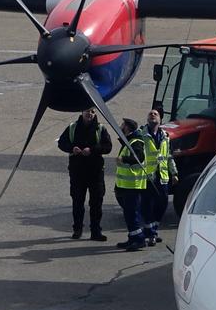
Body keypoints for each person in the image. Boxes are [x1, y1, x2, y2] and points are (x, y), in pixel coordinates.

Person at [55, 107, 111, 241]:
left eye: (92, 112)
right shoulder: (72, 127)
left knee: (96, 202)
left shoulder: (100, 129)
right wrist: (71, 148)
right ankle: (77, 229)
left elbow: (108, 147)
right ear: (81, 112)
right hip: (77, 171)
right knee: (77, 201)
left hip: (95, 172)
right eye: (87, 111)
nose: (89, 114)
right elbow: (62, 143)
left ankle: (95, 231)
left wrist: (92, 150)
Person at [113, 118, 152, 250]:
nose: (120, 127)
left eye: (122, 125)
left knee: (132, 213)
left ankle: (139, 239)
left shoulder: (136, 142)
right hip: (124, 185)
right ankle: (132, 237)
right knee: (129, 214)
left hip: (132, 185)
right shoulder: (128, 141)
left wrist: (123, 159)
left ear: (128, 128)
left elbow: (140, 157)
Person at [142, 107, 179, 245]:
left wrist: (174, 173)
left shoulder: (165, 136)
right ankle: (151, 233)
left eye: (155, 114)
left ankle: (152, 229)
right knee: (147, 206)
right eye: (150, 113)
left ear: (160, 119)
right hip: (147, 177)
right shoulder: (142, 134)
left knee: (162, 204)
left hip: (162, 176)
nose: (152, 115)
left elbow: (169, 156)